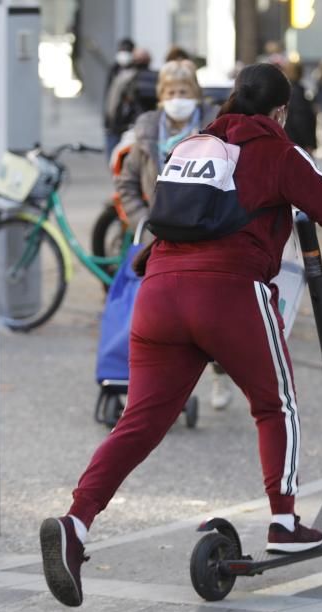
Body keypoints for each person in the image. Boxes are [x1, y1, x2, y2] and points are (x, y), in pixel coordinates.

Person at [39, 63, 322, 608]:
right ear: (280, 110)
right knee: (275, 404)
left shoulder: (194, 145)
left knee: (139, 422)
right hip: (227, 293)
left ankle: (77, 522)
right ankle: (284, 522)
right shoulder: (277, 149)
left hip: (159, 292)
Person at [113, 60, 232, 409]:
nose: (177, 98)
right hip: (159, 241)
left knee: (210, 318)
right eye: (170, 92)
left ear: (195, 94)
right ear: (161, 97)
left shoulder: (216, 131)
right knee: (164, 320)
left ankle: (219, 375)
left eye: (183, 92)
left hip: (206, 238)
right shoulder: (147, 134)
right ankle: (163, 392)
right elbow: (127, 183)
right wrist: (144, 220)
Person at [103, 47, 158, 161]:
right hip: (151, 130)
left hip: (127, 130)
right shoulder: (158, 77)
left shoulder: (124, 78)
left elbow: (113, 106)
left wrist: (112, 126)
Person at [283, 60, 317, 153]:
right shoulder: (296, 92)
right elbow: (300, 119)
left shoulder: (287, 90)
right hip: (298, 141)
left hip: (291, 138)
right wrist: (308, 142)